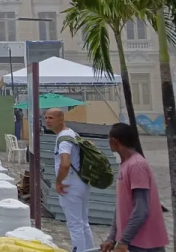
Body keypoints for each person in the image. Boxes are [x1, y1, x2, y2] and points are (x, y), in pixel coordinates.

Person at [100, 123, 168, 252]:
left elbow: (142, 209)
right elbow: (121, 206)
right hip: (132, 240)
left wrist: (124, 240)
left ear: (114, 140)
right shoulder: (125, 164)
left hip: (145, 243)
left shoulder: (137, 165)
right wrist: (112, 238)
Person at [45, 108, 94, 252]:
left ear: (61, 119)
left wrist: (59, 181)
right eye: (46, 117)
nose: (47, 121)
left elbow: (65, 163)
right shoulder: (72, 133)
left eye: (51, 118)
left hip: (70, 185)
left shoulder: (63, 139)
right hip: (82, 182)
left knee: (75, 224)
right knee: (83, 223)